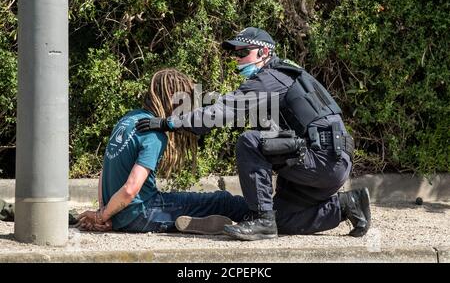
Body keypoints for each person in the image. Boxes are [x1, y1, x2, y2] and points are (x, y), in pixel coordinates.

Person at [135, 27, 371, 241]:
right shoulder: (286, 74)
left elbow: (222, 111)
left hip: (322, 161)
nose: (238, 59)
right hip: (326, 161)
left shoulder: (271, 78)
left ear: (264, 52)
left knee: (250, 141)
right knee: (282, 219)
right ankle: (345, 205)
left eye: (243, 52)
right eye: (236, 54)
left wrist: (170, 122)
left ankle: (262, 222)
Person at [76, 69, 249, 234]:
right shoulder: (154, 134)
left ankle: (189, 222)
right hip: (143, 214)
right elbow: (130, 189)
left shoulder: (127, 120)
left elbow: (104, 172)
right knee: (223, 201)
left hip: (119, 215)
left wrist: (105, 211)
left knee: (186, 202)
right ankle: (264, 216)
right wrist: (100, 217)